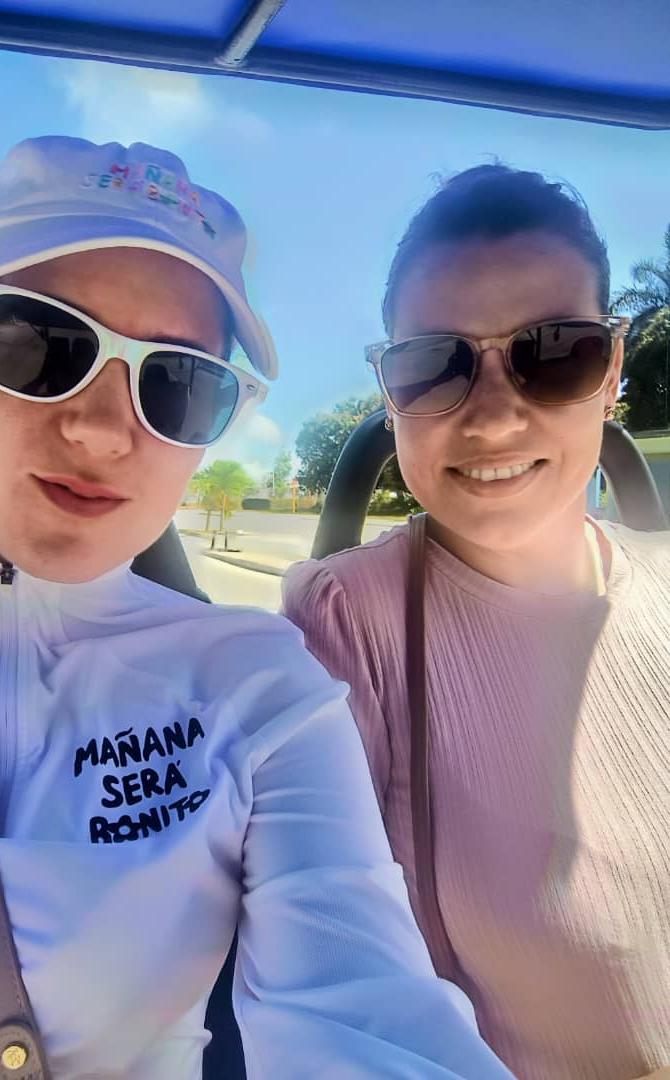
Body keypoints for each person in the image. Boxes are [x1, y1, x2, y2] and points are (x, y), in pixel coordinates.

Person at [0, 136, 513, 1080]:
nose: (101, 430)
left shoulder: (257, 684)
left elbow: (366, 1011)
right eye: (41, 344)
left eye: (177, 382)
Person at [283, 164, 670, 1080]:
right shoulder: (343, 622)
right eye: (433, 364)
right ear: (389, 392)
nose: (494, 417)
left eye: (556, 353)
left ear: (613, 370)